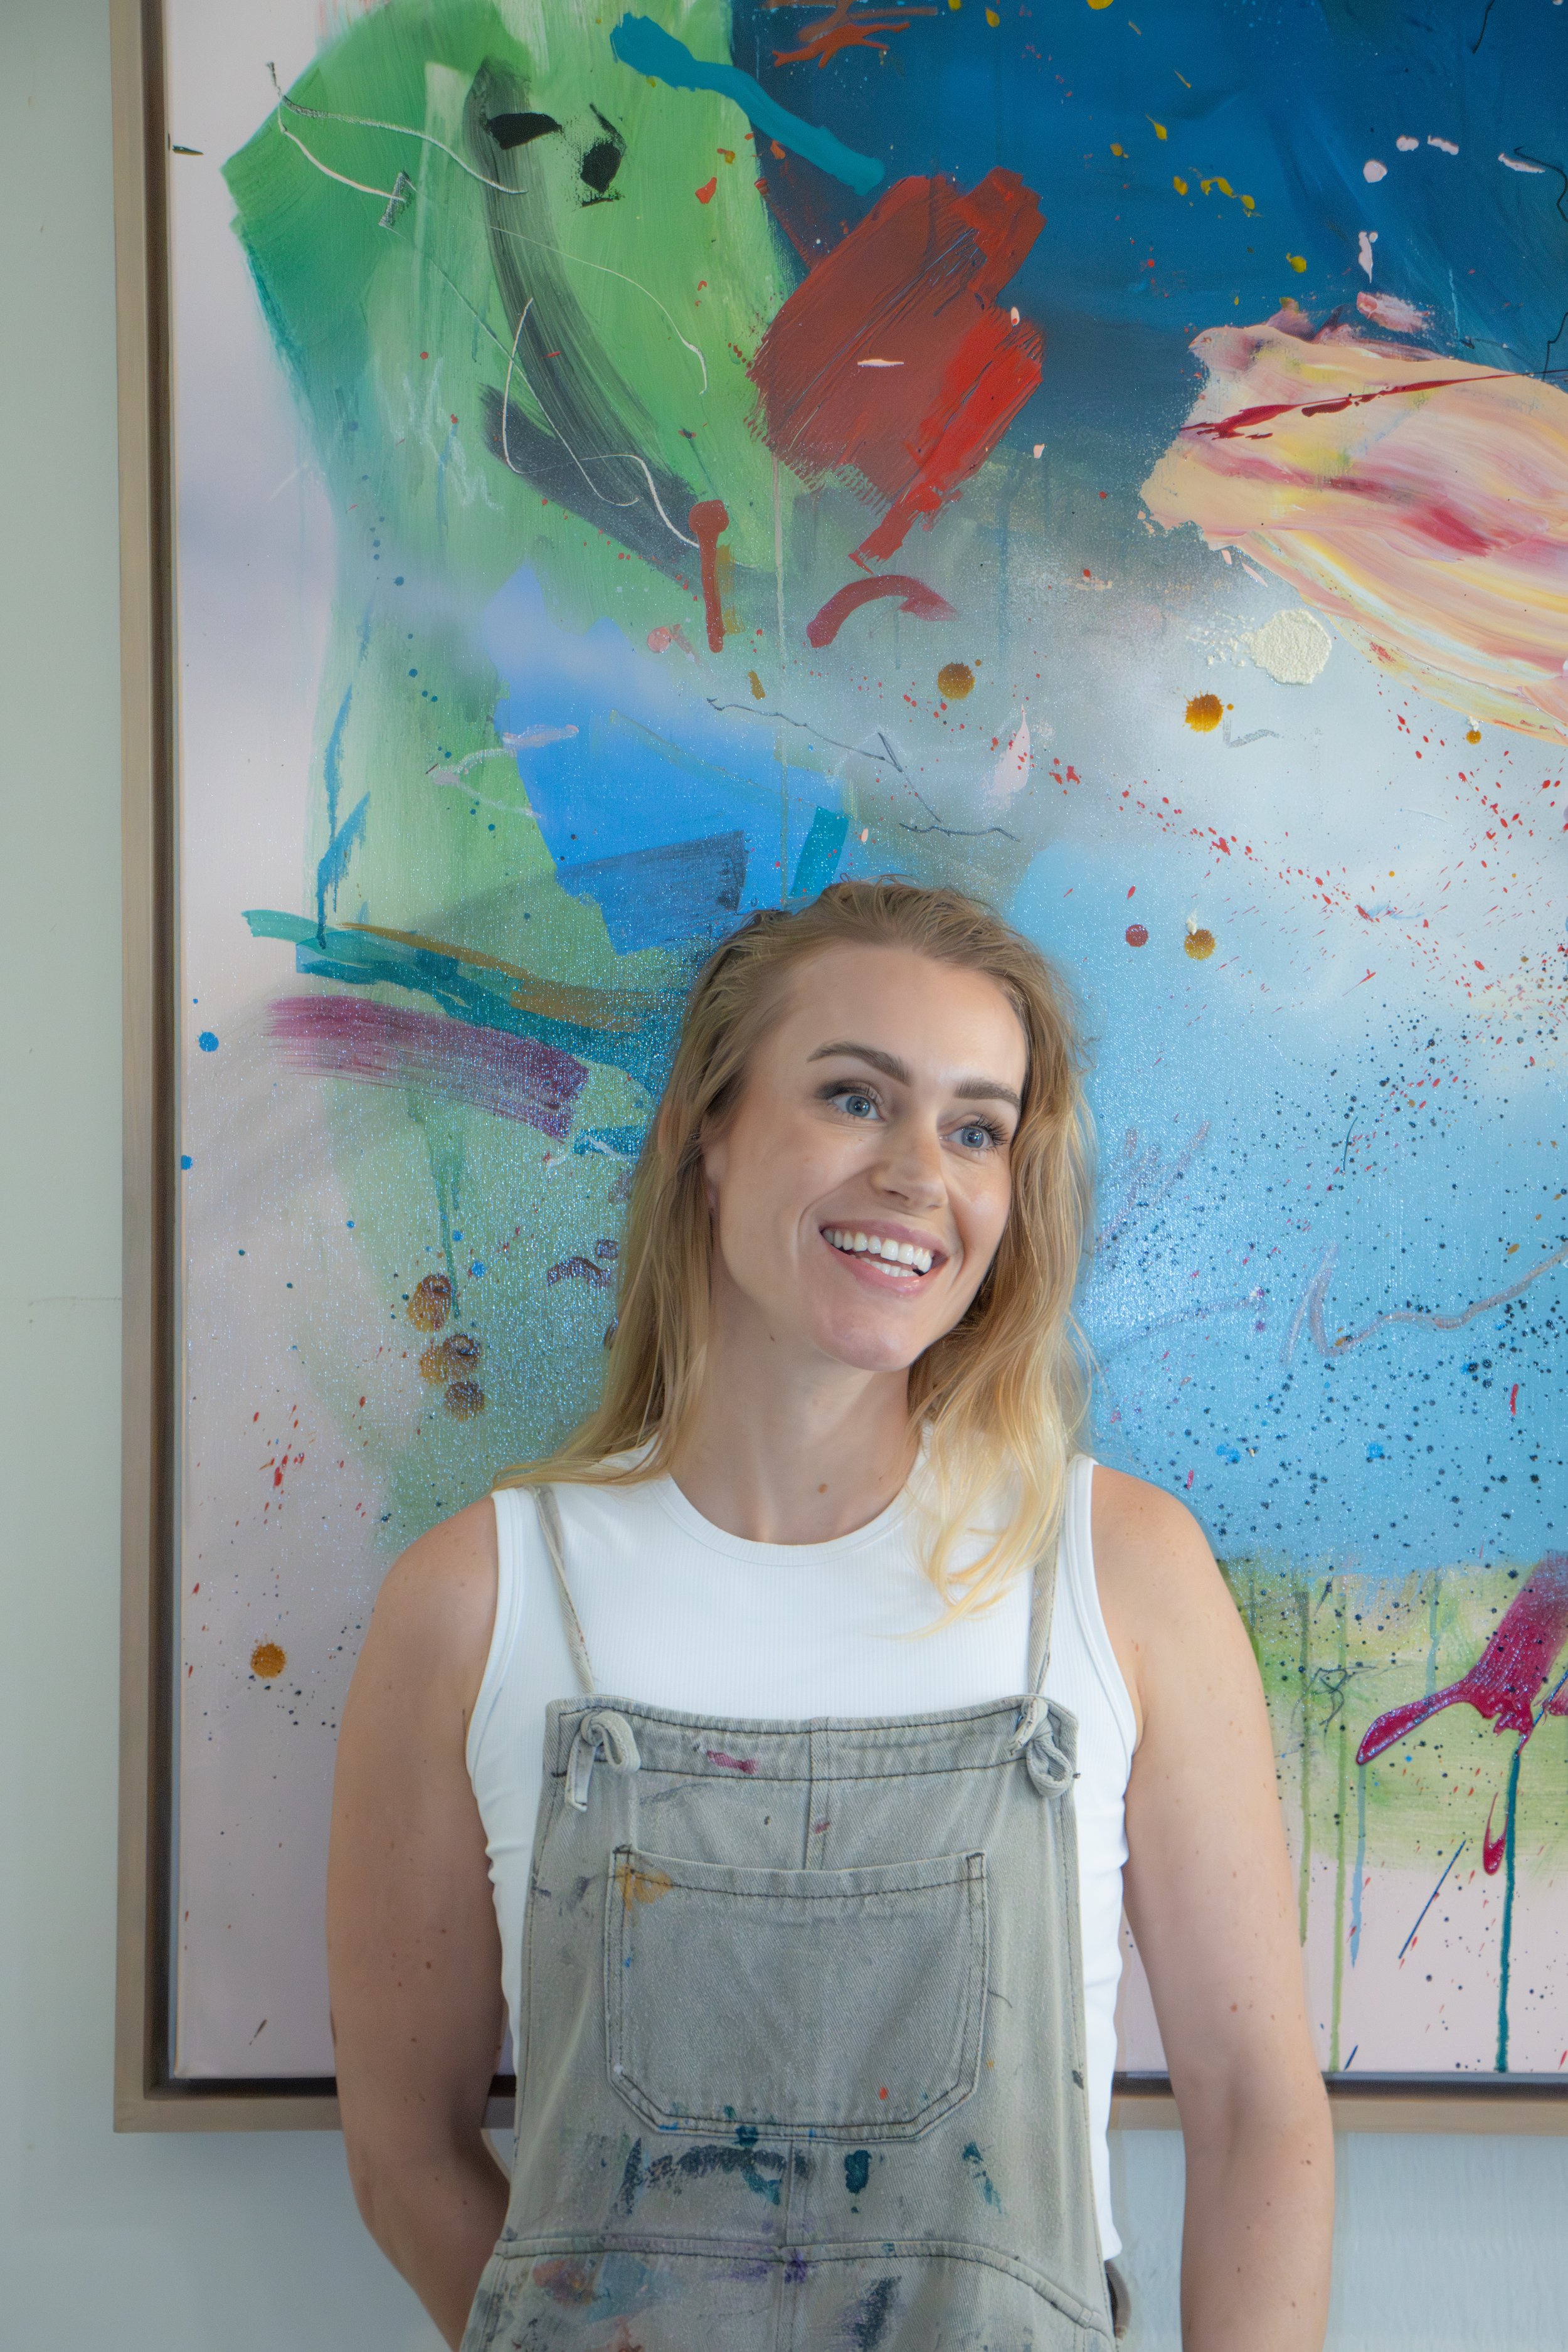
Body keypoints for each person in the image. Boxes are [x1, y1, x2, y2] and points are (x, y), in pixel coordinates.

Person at [327, 879, 1332, 2351]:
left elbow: (1257, 2120)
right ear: (707, 1137)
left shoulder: (1114, 1569)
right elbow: (402, 2153)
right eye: (857, 1098)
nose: (921, 1173)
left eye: (976, 1128)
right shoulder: (476, 1601)